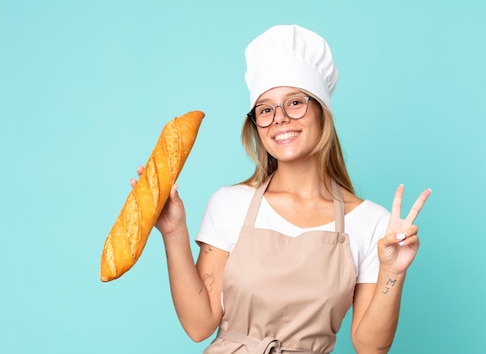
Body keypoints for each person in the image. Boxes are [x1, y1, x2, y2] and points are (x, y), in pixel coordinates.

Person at [132, 24, 431, 354]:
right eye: (265, 110)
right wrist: (174, 232)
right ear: (256, 125)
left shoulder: (371, 222)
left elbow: (370, 346)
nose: (280, 119)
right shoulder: (229, 205)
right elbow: (199, 325)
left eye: (295, 103)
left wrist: (393, 272)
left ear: (321, 110)